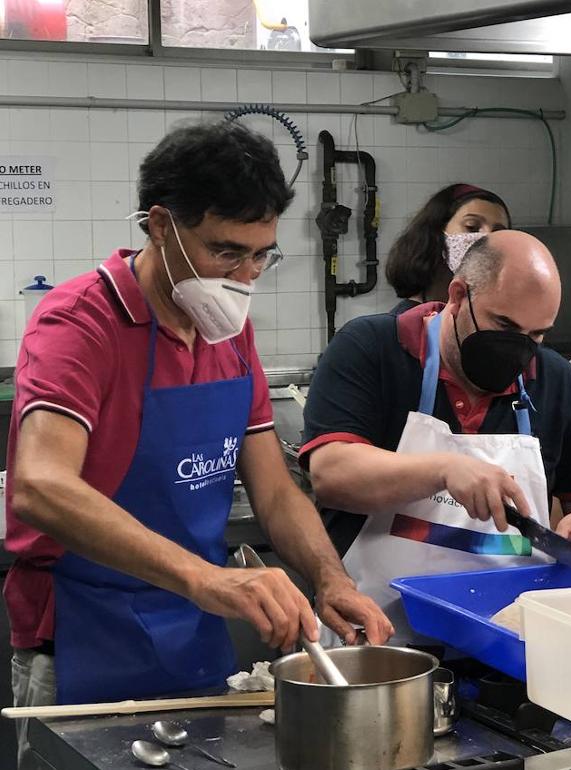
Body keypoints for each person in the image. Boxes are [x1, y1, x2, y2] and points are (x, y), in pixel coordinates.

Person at [4, 123, 389, 760]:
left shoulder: (227, 330)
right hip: (83, 637)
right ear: (160, 224)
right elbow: (42, 487)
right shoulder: (80, 323)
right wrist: (206, 580)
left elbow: (274, 488)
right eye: (225, 252)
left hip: (196, 634)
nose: (245, 276)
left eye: (261, 254)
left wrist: (332, 579)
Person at [302, 230, 571, 645]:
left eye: (537, 335)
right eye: (503, 325)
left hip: (503, 643)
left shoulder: (555, 380)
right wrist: (444, 469)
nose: (518, 349)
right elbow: (331, 474)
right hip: (374, 644)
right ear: (457, 295)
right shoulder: (370, 349)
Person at [385, 184, 510, 314]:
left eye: (498, 232)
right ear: (436, 234)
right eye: (471, 227)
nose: (487, 238)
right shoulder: (396, 328)